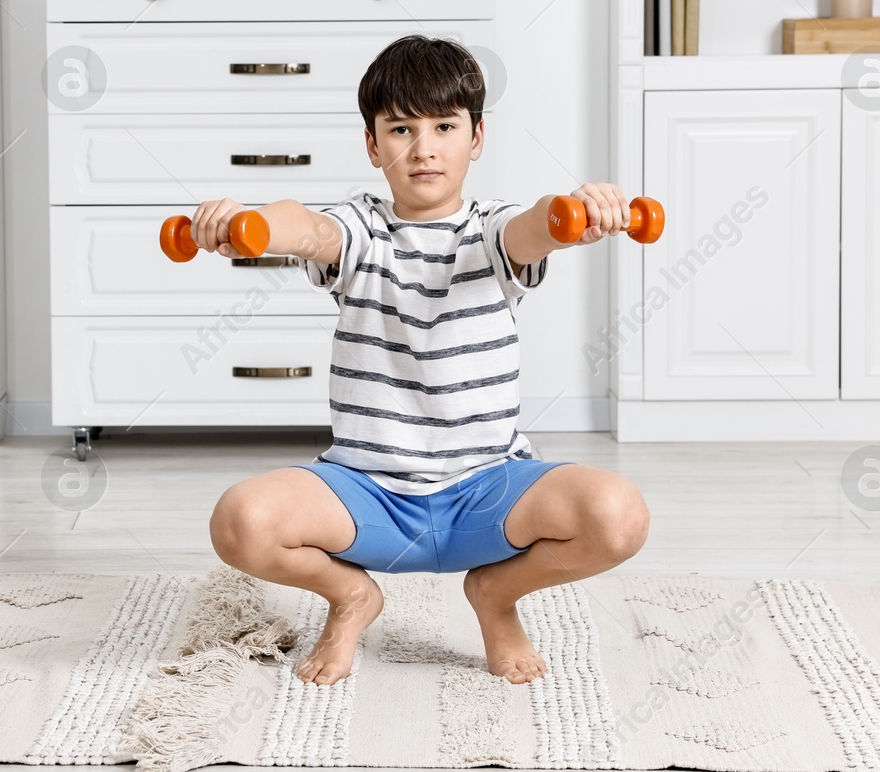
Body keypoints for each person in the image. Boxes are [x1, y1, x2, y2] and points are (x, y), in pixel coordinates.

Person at [201, 34, 650, 686]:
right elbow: (308, 227)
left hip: (487, 496)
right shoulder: (361, 230)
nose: (424, 146)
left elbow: (539, 225)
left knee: (619, 513)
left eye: (444, 125)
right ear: (373, 144)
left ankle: (496, 594)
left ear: (476, 137)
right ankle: (352, 596)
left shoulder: (493, 232)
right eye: (401, 128)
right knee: (240, 520)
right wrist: (251, 223)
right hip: (369, 498)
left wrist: (582, 210)